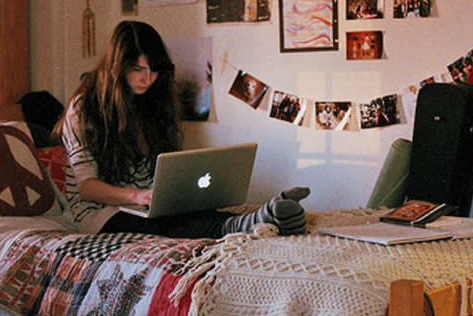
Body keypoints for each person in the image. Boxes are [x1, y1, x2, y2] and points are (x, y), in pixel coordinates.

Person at [54, 21, 309, 238]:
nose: (147, 79)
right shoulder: (85, 107)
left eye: (154, 70)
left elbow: (164, 169)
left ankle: (265, 218)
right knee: (173, 225)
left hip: (143, 206)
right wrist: (137, 197)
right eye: (138, 69)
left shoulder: (149, 100)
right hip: (99, 213)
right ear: (117, 66)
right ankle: (251, 223)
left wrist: (170, 195)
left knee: (195, 214)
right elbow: (87, 187)